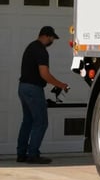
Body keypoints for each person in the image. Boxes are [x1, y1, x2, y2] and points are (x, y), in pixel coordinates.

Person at [17, 25, 70, 164]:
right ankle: (33, 155)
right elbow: (44, 74)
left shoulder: (31, 46)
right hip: (33, 89)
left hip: (23, 88)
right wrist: (61, 85)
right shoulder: (41, 50)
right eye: (52, 38)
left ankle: (21, 154)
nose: (52, 41)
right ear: (46, 36)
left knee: (28, 121)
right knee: (41, 122)